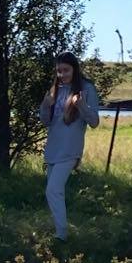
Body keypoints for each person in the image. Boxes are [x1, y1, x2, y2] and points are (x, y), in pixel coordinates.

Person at [39, 51, 100, 241]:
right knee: (54, 191)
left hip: (70, 149)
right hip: (53, 148)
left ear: (75, 69)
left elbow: (94, 122)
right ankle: (60, 229)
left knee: (53, 190)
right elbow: (46, 122)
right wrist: (45, 105)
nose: (62, 75)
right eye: (58, 71)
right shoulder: (54, 90)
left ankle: (61, 234)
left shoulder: (87, 89)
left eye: (66, 70)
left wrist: (81, 106)